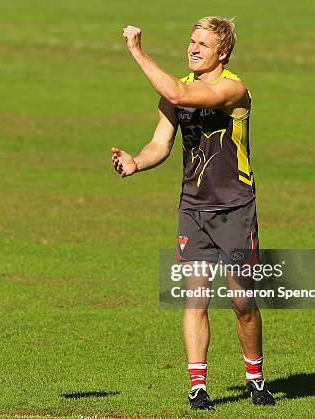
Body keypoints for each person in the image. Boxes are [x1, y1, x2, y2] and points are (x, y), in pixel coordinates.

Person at [111, 17, 275, 410]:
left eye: (204, 44)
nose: (194, 48)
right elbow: (160, 143)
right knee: (195, 298)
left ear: (223, 52)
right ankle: (198, 385)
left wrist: (137, 52)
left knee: (241, 302)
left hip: (235, 209)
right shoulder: (178, 90)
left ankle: (255, 378)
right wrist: (137, 161)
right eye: (191, 41)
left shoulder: (232, 89)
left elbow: (181, 95)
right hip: (194, 210)